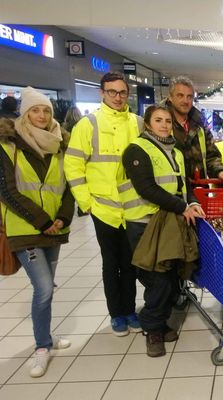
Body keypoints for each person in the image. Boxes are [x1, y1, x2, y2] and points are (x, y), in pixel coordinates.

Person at [0, 87, 74, 377]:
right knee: (43, 288)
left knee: (47, 287)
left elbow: (67, 186)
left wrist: (63, 216)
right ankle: (42, 346)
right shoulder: (8, 146)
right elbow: (6, 191)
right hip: (26, 228)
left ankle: (46, 334)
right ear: (24, 113)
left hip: (55, 226)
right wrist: (43, 220)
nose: (41, 116)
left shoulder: (59, 144)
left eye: (46, 110)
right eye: (35, 110)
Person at [120, 105, 204, 357]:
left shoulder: (175, 151)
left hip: (169, 221)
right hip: (144, 221)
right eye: (158, 120)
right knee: (156, 276)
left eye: (167, 120)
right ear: (147, 124)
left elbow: (182, 183)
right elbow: (146, 187)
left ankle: (159, 320)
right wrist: (181, 206)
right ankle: (152, 328)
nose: (164, 124)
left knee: (170, 275)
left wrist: (191, 202)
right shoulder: (136, 150)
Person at [64, 72, 143, 336]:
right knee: (111, 264)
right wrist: (85, 202)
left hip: (132, 207)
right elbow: (73, 165)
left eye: (122, 92)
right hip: (103, 207)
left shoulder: (138, 123)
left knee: (130, 262)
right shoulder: (88, 125)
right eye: (112, 92)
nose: (118, 97)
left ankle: (131, 310)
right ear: (102, 93)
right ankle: (116, 314)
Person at [161, 76, 223, 191]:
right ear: (170, 97)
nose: (185, 101)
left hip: (199, 190)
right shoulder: (160, 123)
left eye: (189, 97)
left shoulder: (199, 123)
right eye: (180, 95)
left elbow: (211, 155)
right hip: (172, 193)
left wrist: (219, 171)